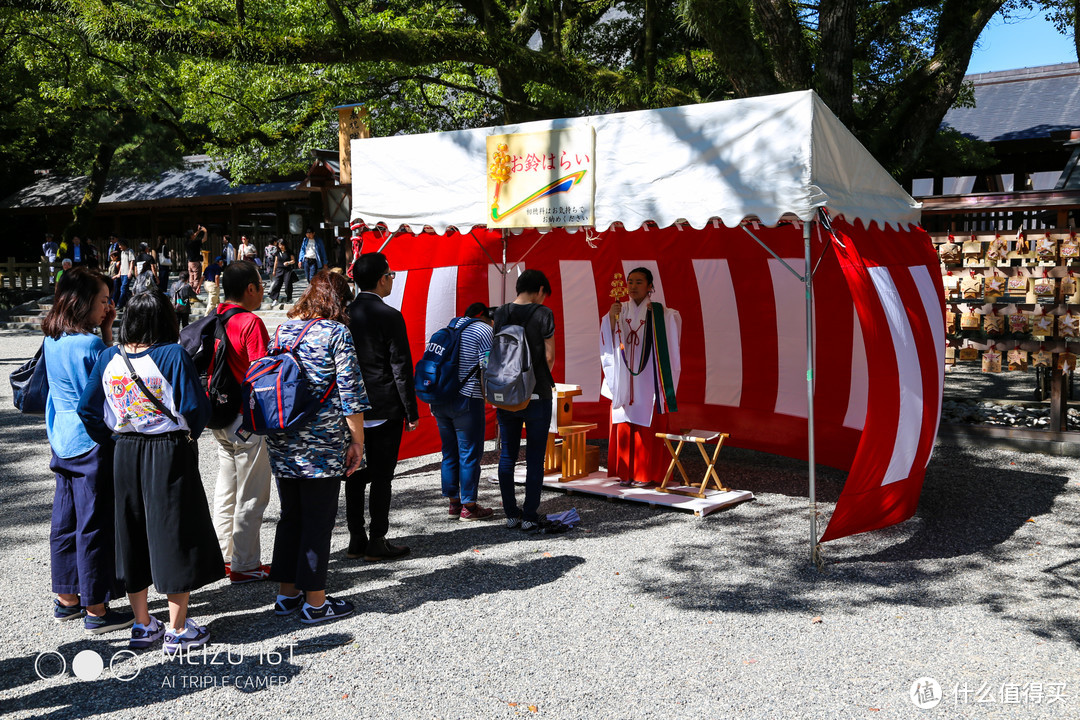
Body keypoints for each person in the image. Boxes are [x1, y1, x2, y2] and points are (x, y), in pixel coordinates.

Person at [78, 291, 223, 653]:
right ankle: (177, 629)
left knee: (131, 532)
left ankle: (143, 624)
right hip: (167, 449)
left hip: (124, 449)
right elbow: (193, 407)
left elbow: (87, 408)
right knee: (173, 530)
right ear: (166, 321)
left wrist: (110, 439)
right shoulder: (172, 354)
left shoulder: (109, 355)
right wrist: (188, 431)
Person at [265, 270, 370, 623]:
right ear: (341, 301)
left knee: (290, 517)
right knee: (318, 521)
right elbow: (350, 393)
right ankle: (316, 603)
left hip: (281, 438)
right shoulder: (336, 333)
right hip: (322, 445)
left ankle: (286, 595)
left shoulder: (282, 330)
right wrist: (358, 441)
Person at [41, 267, 134, 635]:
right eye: (102, 300)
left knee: (64, 522)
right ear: (83, 302)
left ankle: (67, 599)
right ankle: (97, 607)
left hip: (61, 436)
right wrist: (107, 336)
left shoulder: (53, 338)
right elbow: (109, 387)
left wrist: (105, 329)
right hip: (91, 441)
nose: (107, 306)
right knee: (94, 524)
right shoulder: (91, 345)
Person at [345, 252, 418, 561]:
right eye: (390, 275)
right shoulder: (390, 315)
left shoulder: (344, 313)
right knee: (382, 475)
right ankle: (378, 539)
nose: (391, 279)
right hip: (384, 403)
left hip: (351, 406)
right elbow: (400, 366)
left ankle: (356, 538)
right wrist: (410, 411)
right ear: (380, 279)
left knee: (354, 474)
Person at [209, 261, 274, 585]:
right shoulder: (250, 322)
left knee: (226, 488)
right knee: (252, 492)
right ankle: (246, 564)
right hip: (245, 420)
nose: (261, 291)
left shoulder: (214, 317)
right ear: (250, 289)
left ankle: (224, 556)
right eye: (260, 285)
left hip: (218, 416)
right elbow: (262, 374)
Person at [600, 267, 682, 487]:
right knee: (624, 415)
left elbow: (674, 323)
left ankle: (646, 473)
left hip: (648, 375)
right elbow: (606, 339)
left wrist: (660, 316)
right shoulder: (620, 309)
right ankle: (625, 472)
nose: (633, 286)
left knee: (647, 417)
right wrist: (610, 317)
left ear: (650, 286)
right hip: (625, 373)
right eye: (630, 282)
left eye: (638, 282)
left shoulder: (659, 311)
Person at [494, 269, 556, 532]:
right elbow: (550, 356)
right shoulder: (544, 314)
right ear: (540, 289)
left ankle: (510, 514)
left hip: (506, 393)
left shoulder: (499, 312)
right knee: (534, 457)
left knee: (507, 455)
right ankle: (530, 515)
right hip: (536, 393)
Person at [430, 302, 495, 521]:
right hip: (467, 399)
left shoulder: (443, 331)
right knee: (469, 453)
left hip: (439, 400)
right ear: (483, 317)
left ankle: (453, 504)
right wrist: (489, 398)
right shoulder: (484, 329)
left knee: (449, 452)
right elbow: (486, 365)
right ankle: (470, 506)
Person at [267, 239, 296, 309]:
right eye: (279, 245)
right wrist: (274, 271)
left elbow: (293, 261)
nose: (281, 246)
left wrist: (288, 262)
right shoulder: (277, 252)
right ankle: (275, 299)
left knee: (287, 284)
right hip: (279, 270)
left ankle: (289, 298)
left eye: (282, 244)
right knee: (277, 284)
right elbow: (276, 262)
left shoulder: (289, 252)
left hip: (287, 270)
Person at [114, 239, 136, 310]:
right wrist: (119, 273)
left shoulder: (130, 251)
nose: (119, 246)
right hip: (122, 273)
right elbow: (122, 264)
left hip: (127, 273)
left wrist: (130, 271)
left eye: (120, 245)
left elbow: (132, 262)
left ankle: (120, 304)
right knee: (125, 290)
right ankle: (130, 302)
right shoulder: (122, 252)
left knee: (123, 289)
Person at [186, 225, 208, 293]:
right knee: (196, 279)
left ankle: (190, 293)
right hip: (195, 262)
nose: (194, 234)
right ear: (191, 236)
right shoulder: (195, 242)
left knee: (191, 279)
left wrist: (198, 231)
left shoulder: (186, 242)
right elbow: (204, 239)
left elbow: (193, 236)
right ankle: (194, 294)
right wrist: (205, 232)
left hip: (189, 263)